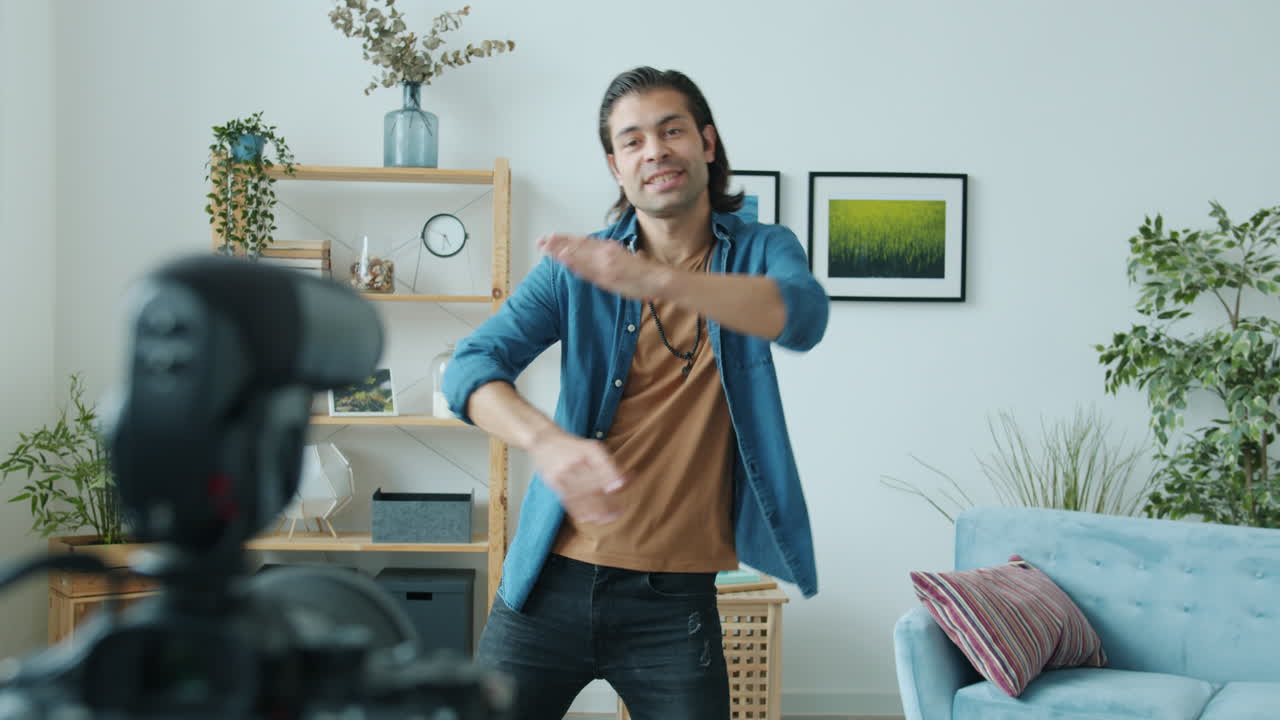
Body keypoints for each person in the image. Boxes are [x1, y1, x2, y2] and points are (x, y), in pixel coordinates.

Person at [442, 66, 829, 720]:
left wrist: (659, 281)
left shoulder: (764, 249)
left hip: (674, 605)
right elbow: (468, 367)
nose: (655, 150)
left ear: (707, 143)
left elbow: (800, 317)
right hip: (546, 587)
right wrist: (548, 442)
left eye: (671, 129)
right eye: (633, 140)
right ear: (616, 168)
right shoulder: (579, 268)